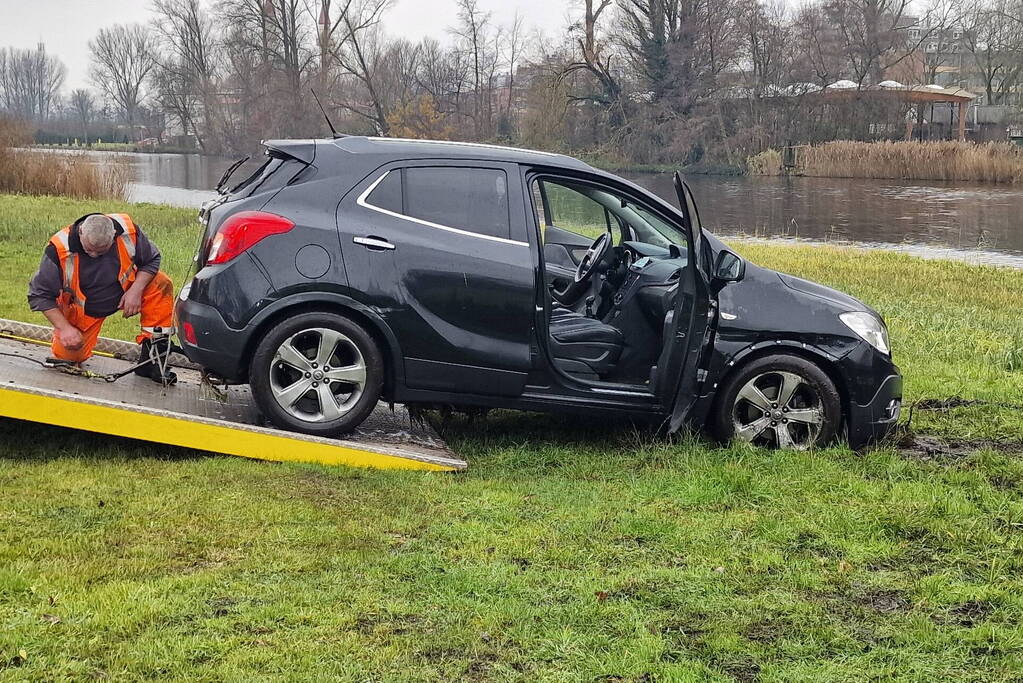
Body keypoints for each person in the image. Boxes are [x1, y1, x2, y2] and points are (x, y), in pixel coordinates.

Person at [27, 213, 177, 384]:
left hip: (125, 291)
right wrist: (65, 328)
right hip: (84, 311)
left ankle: (152, 360)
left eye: (101, 251)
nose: (94, 256)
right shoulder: (58, 249)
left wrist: (136, 290)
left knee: (161, 283)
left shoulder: (127, 231)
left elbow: (152, 259)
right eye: (89, 249)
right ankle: (69, 347)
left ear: (114, 236)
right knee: (69, 356)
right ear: (81, 232)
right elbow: (40, 294)